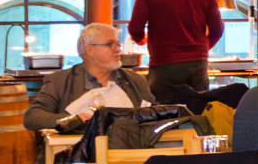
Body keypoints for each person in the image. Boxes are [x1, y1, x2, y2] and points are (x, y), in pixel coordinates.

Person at [25, 23, 171, 146]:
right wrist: (73, 120)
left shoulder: (134, 80)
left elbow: (152, 114)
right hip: (74, 157)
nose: (117, 49)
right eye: (110, 44)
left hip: (127, 154)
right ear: (89, 49)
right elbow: (32, 117)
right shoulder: (60, 80)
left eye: (117, 44)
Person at [125, 0, 223, 97]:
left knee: (165, 105)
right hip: (197, 62)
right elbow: (217, 29)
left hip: (164, 62)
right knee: (198, 103)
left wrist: (140, 40)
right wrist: (203, 48)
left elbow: (135, 28)